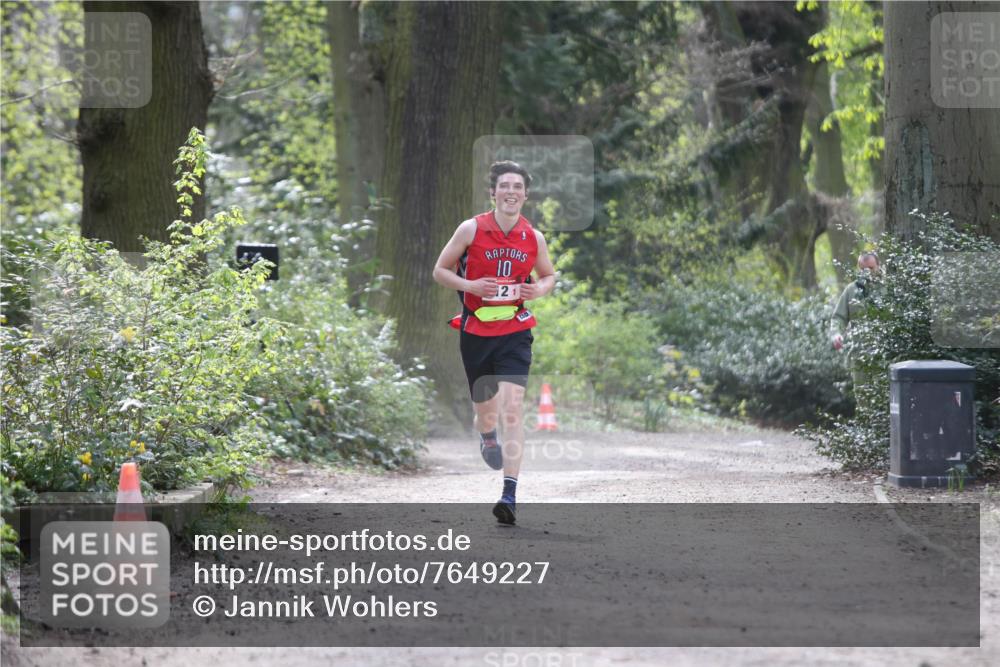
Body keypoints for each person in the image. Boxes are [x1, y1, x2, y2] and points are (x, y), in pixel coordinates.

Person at [432, 161, 556, 525]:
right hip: (475, 334)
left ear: (525, 195)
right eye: (505, 185)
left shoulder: (533, 237)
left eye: (517, 186)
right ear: (493, 192)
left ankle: (509, 495)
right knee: (487, 413)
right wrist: (470, 286)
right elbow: (440, 270)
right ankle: (487, 435)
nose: (511, 191)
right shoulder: (471, 229)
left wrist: (538, 290)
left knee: (513, 409)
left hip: (515, 333)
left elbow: (548, 276)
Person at [830, 251, 880, 386]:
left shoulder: (888, 288)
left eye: (871, 268)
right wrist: (836, 334)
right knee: (862, 393)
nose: (867, 272)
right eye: (863, 269)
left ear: (878, 266)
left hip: (883, 354)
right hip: (859, 353)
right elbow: (838, 317)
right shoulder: (851, 290)